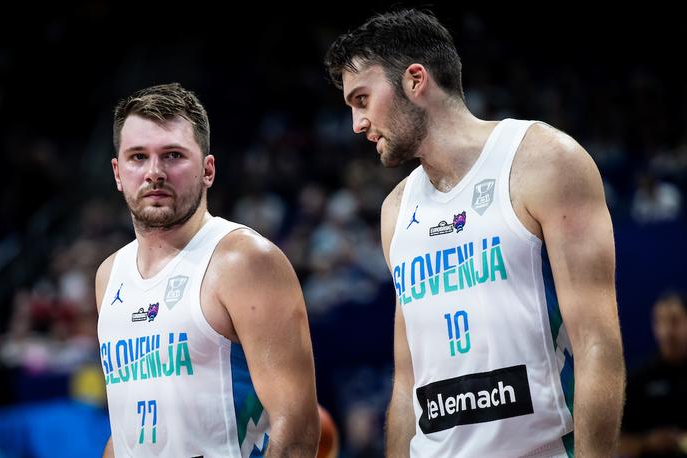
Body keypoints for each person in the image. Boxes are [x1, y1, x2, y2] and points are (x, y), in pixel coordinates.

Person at [325, 9, 625, 457]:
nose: (357, 124)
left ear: (414, 80)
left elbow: (598, 343)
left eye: (362, 99)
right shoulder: (396, 210)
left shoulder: (543, 160)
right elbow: (408, 380)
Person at [96, 83, 319, 457]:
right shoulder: (109, 276)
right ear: (118, 173)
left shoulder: (244, 260)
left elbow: (296, 427)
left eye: (173, 155)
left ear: (208, 170)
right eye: (138, 157)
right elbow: (125, 433)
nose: (154, 172)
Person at [619, 292, 687, 457]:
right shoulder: (638, 378)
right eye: (661, 322)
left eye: (674, 321)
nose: (667, 331)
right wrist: (649, 442)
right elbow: (618, 444)